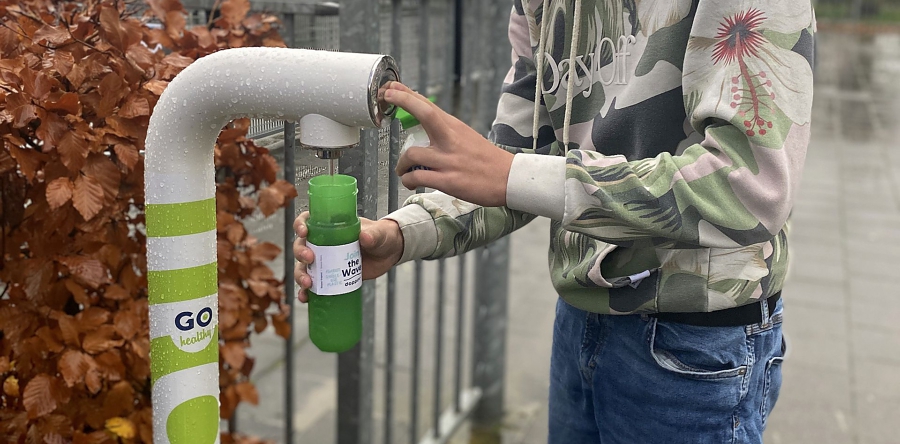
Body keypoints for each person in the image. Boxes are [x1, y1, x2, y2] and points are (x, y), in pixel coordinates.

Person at [294, 1, 815, 442]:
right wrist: (403, 233)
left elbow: (751, 189)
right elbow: (517, 163)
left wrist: (511, 172)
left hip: (693, 345)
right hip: (580, 321)